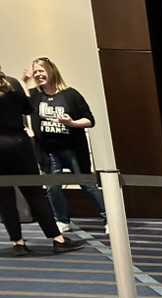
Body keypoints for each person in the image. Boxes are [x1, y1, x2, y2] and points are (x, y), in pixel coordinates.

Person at [0, 65, 84, 256]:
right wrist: (24, 83)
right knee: (35, 193)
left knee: (4, 198)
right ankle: (57, 239)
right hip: (18, 143)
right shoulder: (11, 83)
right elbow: (27, 109)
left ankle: (18, 243)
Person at [22, 57, 106, 233]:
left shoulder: (70, 94)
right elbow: (20, 102)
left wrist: (72, 123)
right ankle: (62, 220)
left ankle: (108, 219)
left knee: (87, 184)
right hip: (49, 151)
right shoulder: (36, 95)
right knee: (53, 187)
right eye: (35, 72)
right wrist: (24, 80)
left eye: (41, 71)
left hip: (73, 150)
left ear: (51, 71)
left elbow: (90, 120)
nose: (38, 75)